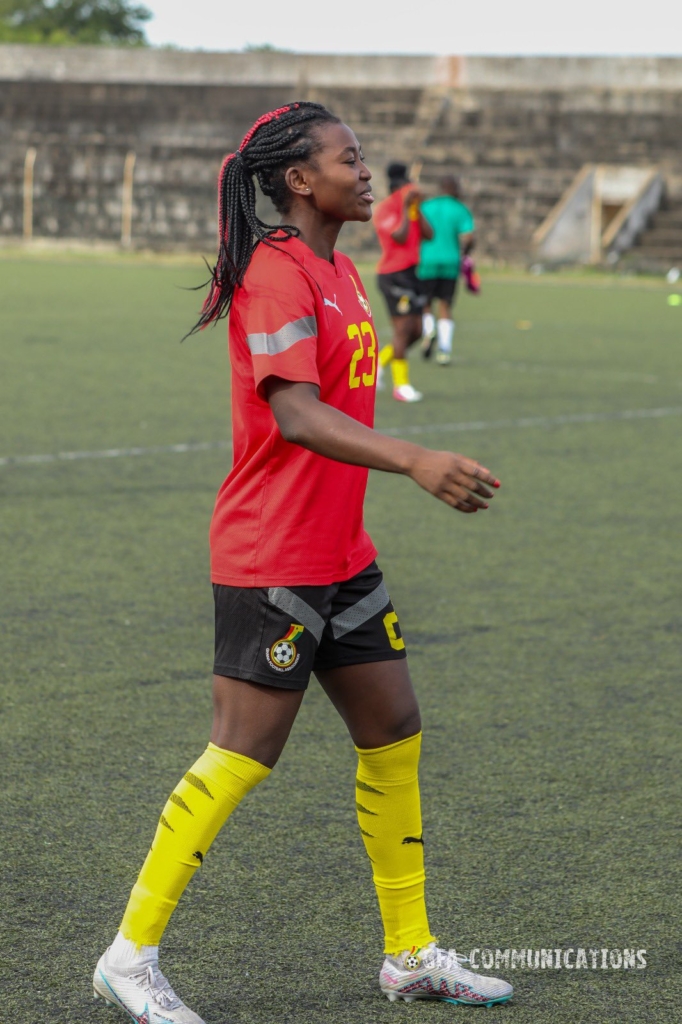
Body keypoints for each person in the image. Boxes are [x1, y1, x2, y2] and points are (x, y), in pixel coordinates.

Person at [92, 102, 512, 1024]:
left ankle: (409, 955)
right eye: (348, 159)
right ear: (297, 180)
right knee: (244, 753)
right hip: (270, 552)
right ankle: (130, 956)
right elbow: (295, 412)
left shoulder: (342, 268)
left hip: (341, 553)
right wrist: (414, 459)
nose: (366, 173)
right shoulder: (276, 273)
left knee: (394, 725)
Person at [373, 162, 433, 402]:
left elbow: (430, 235)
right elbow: (400, 236)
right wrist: (407, 208)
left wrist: (415, 210)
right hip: (393, 274)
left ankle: (379, 363)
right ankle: (401, 386)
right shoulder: (386, 208)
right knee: (403, 329)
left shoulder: (412, 207)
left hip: (411, 273)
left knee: (417, 331)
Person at [418, 175, 476, 365]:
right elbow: (468, 238)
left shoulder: (426, 207)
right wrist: (465, 254)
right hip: (450, 262)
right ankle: (444, 349)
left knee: (425, 304)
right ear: (454, 189)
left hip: (425, 261)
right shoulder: (460, 209)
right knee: (445, 305)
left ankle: (429, 332)